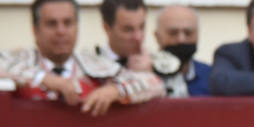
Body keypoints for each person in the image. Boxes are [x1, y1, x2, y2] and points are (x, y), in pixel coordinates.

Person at [0, 0, 164, 116]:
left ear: (77, 27)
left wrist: (115, 91)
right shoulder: (19, 60)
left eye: (68, 23)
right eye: (52, 24)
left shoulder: (94, 64)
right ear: (36, 30)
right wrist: (43, 78)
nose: (61, 31)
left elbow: (155, 84)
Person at [152, 4, 209, 97]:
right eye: (173, 33)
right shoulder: (142, 76)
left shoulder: (212, 78)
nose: (181, 39)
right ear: (157, 37)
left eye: (188, 33)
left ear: (198, 35)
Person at [95, 0, 149, 71]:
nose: (138, 37)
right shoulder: (88, 66)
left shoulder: (157, 65)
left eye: (142, 27)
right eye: (128, 30)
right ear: (107, 28)